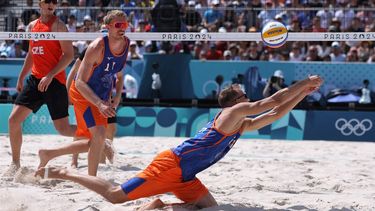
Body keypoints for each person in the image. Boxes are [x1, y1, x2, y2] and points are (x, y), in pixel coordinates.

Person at [36, 75, 323, 210]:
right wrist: (303, 81)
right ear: (236, 101)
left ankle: (159, 204)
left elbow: (275, 112)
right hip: (171, 165)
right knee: (114, 195)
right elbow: (271, 101)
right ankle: (63, 172)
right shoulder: (234, 112)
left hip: (186, 175)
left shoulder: (241, 123)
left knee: (210, 209)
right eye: (242, 92)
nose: (246, 93)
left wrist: (304, 93)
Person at [37, 10, 129, 176]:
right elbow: (79, 81)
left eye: (125, 25)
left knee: (95, 140)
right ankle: (91, 178)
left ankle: (48, 153)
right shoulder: (96, 48)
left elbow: (116, 72)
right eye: (118, 25)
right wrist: (98, 102)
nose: (122, 28)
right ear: (108, 27)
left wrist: (114, 95)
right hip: (82, 93)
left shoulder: (126, 44)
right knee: (97, 135)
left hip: (101, 95)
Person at [5, 0, 76, 176]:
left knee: (64, 129)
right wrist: (22, 76)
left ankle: (95, 135)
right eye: (47, 1)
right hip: (35, 80)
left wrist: (50, 75)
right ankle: (15, 164)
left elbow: (69, 56)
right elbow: (31, 53)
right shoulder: (32, 26)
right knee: (13, 121)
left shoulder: (59, 26)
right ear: (40, 4)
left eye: (54, 2)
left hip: (54, 82)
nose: (51, 4)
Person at [66, 44, 123, 168]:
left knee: (110, 128)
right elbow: (75, 70)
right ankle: (74, 160)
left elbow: (119, 76)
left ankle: (101, 160)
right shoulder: (91, 50)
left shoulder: (117, 53)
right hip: (87, 95)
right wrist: (68, 92)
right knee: (82, 131)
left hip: (106, 97)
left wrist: (118, 95)